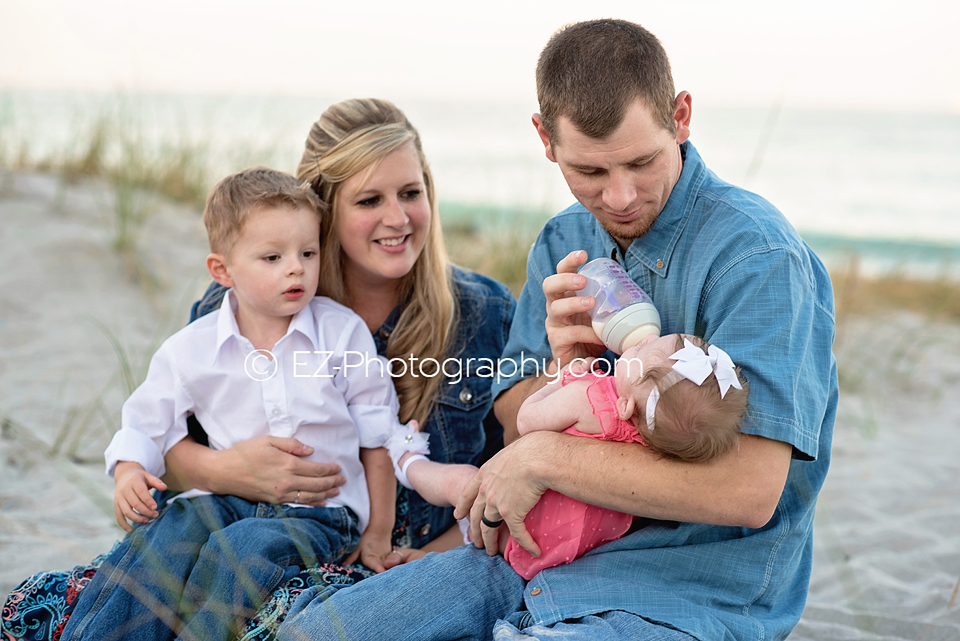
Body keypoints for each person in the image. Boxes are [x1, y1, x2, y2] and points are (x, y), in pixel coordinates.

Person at [277, 18, 837, 641]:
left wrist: (549, 456)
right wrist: (560, 365)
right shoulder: (564, 241)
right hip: (532, 558)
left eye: (641, 162)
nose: (620, 196)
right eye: (590, 173)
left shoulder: (756, 259)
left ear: (680, 117)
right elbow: (514, 421)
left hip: (685, 586)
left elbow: (749, 491)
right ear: (545, 139)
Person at [1, 98, 516, 641]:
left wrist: (425, 557)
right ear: (322, 209)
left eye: (411, 193)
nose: (397, 218)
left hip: (372, 556)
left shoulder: (482, 312)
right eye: (369, 200)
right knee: (73, 597)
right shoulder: (236, 306)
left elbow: (509, 479)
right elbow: (168, 451)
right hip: (235, 530)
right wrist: (223, 472)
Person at [62, 167, 401, 641]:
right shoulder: (192, 349)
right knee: (169, 533)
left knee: (241, 550)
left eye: (308, 252)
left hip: (322, 512)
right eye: (272, 257)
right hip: (227, 500)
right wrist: (128, 471)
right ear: (222, 271)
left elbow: (378, 436)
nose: (296, 268)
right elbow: (147, 419)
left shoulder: (341, 333)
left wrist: (378, 530)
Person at [392, 332, 750, 581]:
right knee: (484, 539)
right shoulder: (654, 444)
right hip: (558, 546)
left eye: (642, 354)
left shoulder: (591, 398)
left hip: (525, 516)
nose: (641, 341)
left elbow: (527, 422)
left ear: (626, 405)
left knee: (465, 483)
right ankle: (430, 556)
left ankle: (408, 461)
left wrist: (562, 379)